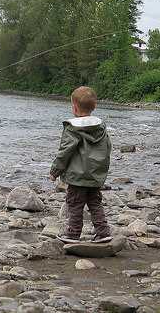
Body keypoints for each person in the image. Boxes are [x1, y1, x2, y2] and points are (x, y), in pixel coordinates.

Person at [50, 86, 112, 243]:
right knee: (95, 203)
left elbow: (65, 151)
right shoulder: (101, 128)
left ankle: (73, 234)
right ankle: (103, 233)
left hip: (77, 176)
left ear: (74, 107)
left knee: (75, 205)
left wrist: (55, 170)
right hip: (94, 175)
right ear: (94, 106)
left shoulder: (72, 129)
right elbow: (107, 148)